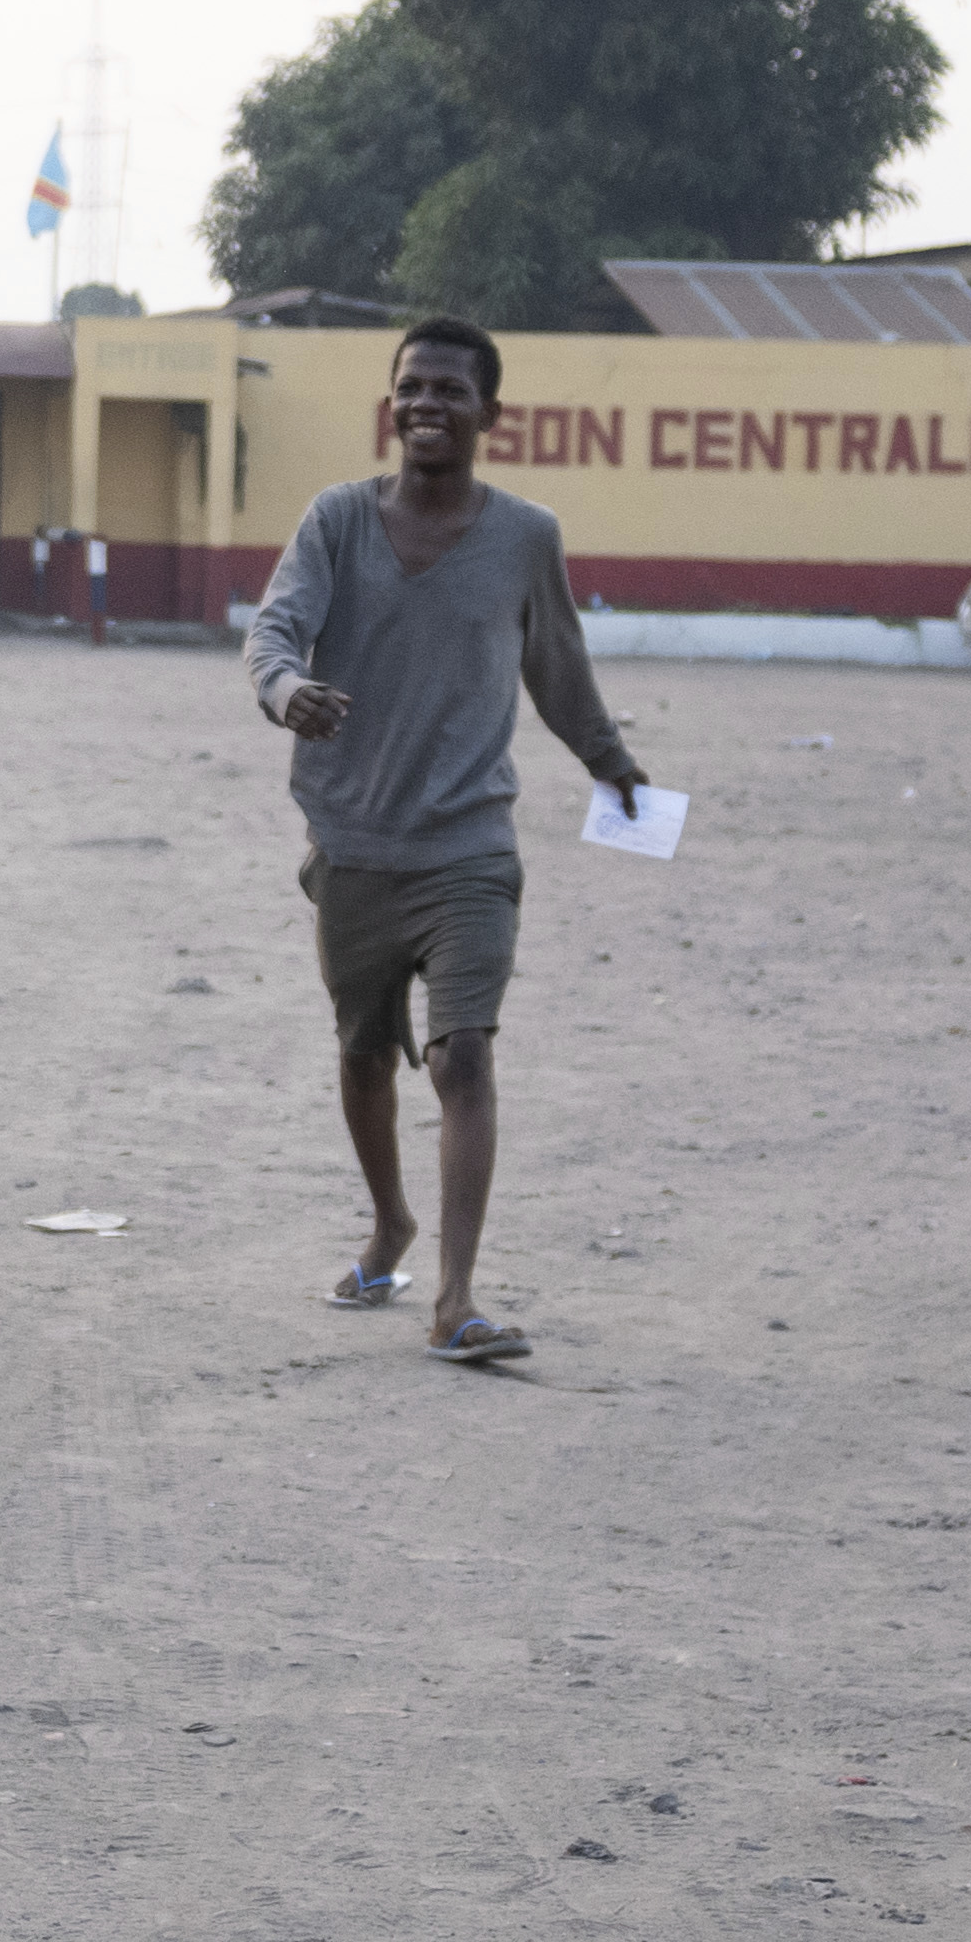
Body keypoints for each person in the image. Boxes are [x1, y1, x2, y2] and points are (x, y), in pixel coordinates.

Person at [241, 312, 644, 1369]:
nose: (426, 404)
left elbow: (556, 667)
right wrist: (286, 693)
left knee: (462, 1054)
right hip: (356, 843)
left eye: (449, 391)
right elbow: (275, 629)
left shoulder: (525, 537)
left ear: (489, 414)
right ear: (393, 401)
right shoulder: (336, 519)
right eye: (411, 386)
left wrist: (610, 759)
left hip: (470, 847)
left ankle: (456, 1299)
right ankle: (391, 1225)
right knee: (365, 1052)